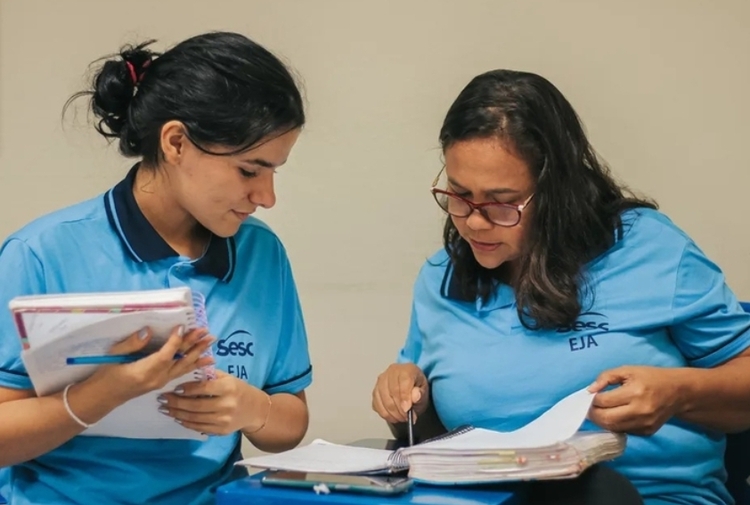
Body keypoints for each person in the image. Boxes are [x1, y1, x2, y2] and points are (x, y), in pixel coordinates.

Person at [372, 69, 750, 505]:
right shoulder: (441, 278)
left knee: (593, 493)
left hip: (648, 498)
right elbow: (439, 448)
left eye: (500, 201)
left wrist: (679, 393)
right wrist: (408, 408)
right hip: (492, 499)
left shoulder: (652, 249)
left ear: (555, 191)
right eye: (459, 195)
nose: (474, 221)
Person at [0, 31, 312, 505]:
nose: (267, 197)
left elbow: (288, 424)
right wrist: (98, 397)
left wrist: (253, 408)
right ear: (176, 142)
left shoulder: (262, 256)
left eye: (274, 171)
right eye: (249, 171)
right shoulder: (40, 254)